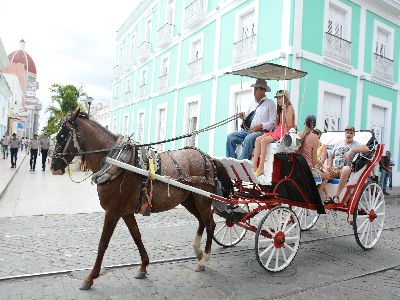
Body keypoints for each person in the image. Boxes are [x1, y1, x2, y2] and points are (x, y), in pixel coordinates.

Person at [226, 78, 276, 160]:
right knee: (230, 137)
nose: (254, 91)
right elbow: (247, 116)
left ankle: (241, 162)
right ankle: (231, 160)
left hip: (262, 132)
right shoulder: (252, 103)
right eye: (254, 89)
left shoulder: (270, 104)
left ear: (263, 90)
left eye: (256, 89)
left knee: (248, 139)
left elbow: (273, 122)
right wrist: (243, 116)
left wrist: (261, 126)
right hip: (249, 131)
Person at [252, 89, 296, 176]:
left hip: (285, 131)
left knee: (264, 141)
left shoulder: (289, 108)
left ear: (285, 98)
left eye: (280, 97)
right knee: (258, 139)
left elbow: (289, 124)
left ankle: (261, 168)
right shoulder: (280, 109)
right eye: (277, 98)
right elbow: (278, 124)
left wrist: (285, 111)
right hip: (278, 130)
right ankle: (253, 166)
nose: (278, 99)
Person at [325, 125, 369, 203]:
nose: (349, 135)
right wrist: (328, 165)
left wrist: (352, 150)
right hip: (334, 169)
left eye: (351, 133)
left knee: (346, 168)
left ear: (354, 134)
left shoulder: (356, 144)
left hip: (345, 170)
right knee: (322, 172)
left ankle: (337, 195)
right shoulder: (338, 143)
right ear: (345, 133)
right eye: (347, 132)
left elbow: (366, 149)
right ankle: (327, 196)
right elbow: (331, 156)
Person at [298, 115, 330, 196]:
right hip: (308, 170)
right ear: (314, 125)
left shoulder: (299, 135)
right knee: (327, 175)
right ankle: (317, 196)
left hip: (298, 169)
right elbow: (314, 161)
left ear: (305, 123)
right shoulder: (314, 137)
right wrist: (318, 163)